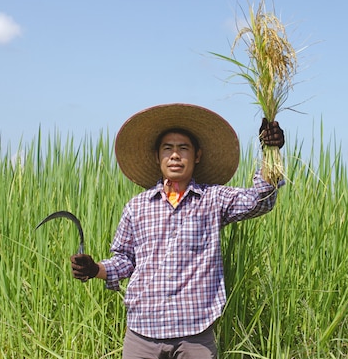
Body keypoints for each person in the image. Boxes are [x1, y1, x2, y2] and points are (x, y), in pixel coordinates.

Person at [70, 103, 285, 358]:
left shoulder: (212, 200)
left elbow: (260, 200)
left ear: (197, 155)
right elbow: (125, 260)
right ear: (157, 156)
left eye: (183, 148)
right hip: (142, 334)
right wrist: (95, 270)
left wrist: (270, 152)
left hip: (195, 335)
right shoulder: (137, 207)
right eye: (167, 149)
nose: (175, 155)